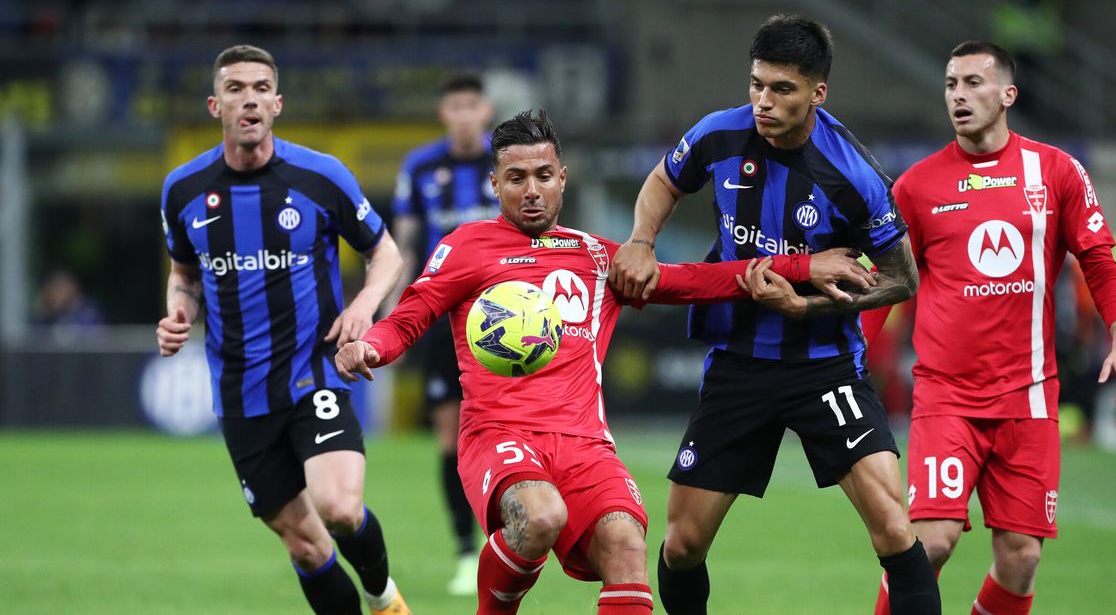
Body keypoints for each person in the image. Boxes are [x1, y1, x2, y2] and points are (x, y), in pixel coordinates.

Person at [335, 109, 875, 615]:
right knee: (541, 516)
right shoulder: (467, 247)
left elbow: (695, 280)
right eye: (516, 178)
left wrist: (804, 265)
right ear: (494, 185)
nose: (531, 191)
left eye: (543, 175)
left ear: (563, 178)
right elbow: (412, 314)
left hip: (584, 444)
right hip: (500, 435)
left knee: (626, 544)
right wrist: (370, 347)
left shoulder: (596, 256)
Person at [610, 14, 941, 615]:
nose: (763, 101)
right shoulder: (718, 134)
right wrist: (640, 239)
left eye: (781, 89)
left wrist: (805, 305)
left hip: (826, 368)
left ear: (818, 93)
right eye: (756, 84)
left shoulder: (854, 176)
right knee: (682, 545)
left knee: (895, 528)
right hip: (739, 364)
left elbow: (900, 279)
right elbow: (663, 179)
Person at [868, 41, 1116, 615]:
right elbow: (883, 285)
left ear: (1008, 95)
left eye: (973, 83)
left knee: (1021, 558)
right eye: (950, 85)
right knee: (931, 543)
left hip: (1030, 397)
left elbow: (1098, 259)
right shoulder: (916, 187)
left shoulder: (1056, 171)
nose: (959, 96)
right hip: (946, 396)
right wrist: (849, 359)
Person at [155, 45, 410, 615]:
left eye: (260, 88)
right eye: (236, 88)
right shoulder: (182, 189)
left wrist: (366, 304)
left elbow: (386, 253)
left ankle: (382, 596)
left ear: (278, 103)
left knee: (340, 509)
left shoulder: (321, 176)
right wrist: (179, 314)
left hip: (312, 370)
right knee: (305, 545)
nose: (249, 99)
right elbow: (184, 274)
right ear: (214, 104)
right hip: (241, 392)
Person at [391, 72, 496, 595]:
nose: (463, 114)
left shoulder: (507, 161)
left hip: (505, 317)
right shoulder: (420, 167)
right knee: (450, 440)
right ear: (443, 112)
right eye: (454, 105)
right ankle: (463, 550)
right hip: (440, 320)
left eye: (471, 105)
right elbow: (406, 246)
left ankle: (509, 542)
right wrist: (394, 314)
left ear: (485, 109)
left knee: (510, 433)